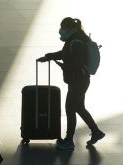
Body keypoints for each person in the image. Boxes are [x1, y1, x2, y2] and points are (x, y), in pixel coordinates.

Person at [38, 17, 105, 151]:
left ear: (69, 29)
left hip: (78, 81)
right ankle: (96, 132)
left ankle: (69, 141)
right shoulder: (74, 39)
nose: (61, 31)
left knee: (70, 109)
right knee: (79, 107)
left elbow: (76, 63)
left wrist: (65, 67)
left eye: (63, 28)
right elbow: (65, 54)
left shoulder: (76, 42)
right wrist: (48, 57)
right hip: (79, 80)